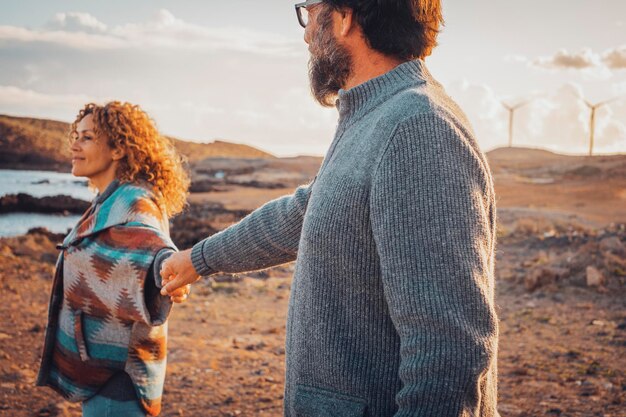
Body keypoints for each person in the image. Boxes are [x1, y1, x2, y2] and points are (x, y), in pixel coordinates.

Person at [161, 0, 499, 415]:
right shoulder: (376, 116)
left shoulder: (418, 127)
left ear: (343, 18)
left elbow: (450, 346)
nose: (305, 34)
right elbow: (302, 214)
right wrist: (198, 260)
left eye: (310, 11)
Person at [37, 102, 191, 417]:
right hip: (102, 367)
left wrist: (164, 271)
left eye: (88, 137)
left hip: (116, 377)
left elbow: (152, 247)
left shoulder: (133, 201)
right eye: (75, 136)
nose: (74, 145)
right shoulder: (110, 199)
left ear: (118, 148)